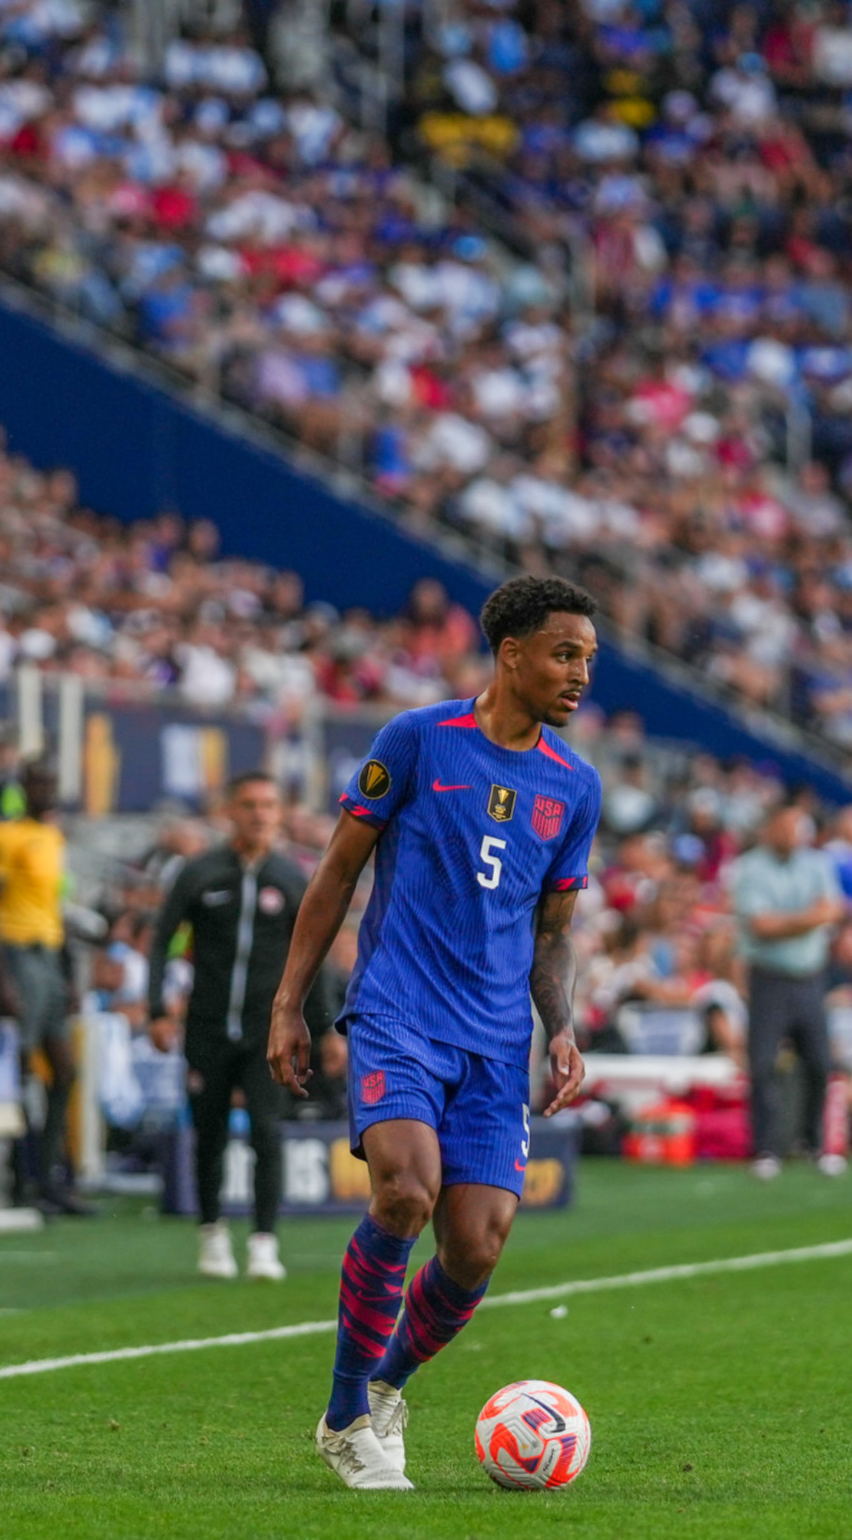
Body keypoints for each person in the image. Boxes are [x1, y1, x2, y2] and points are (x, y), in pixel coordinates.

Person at [265, 574, 602, 1492]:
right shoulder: (417, 740)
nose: (579, 675)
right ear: (512, 654)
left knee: (476, 1242)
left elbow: (553, 934)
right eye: (565, 654)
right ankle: (343, 1417)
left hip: (498, 1042)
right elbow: (336, 873)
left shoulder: (576, 786)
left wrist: (560, 1027)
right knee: (405, 1191)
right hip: (399, 1011)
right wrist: (290, 1001)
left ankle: (382, 1388)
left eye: (588, 659)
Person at [153, 771, 307, 1280]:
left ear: (281, 814)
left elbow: (313, 954)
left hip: (269, 1033)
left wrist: (322, 1028)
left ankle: (264, 1240)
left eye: (269, 805)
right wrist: (157, 1009)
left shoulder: (290, 877)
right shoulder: (199, 873)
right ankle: (212, 1232)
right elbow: (161, 940)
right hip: (208, 1024)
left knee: (267, 1131)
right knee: (209, 1132)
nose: (260, 814)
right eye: (249, 805)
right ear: (230, 812)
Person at [0, 761, 89, 1216]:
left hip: (47, 955)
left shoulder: (52, 837)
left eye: (51, 783)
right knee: (20, 1070)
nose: (46, 791)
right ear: (23, 788)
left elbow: (54, 907)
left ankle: (47, 1176)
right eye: (38, 784)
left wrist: (68, 976)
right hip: (17, 953)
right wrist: (0, 975)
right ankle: (20, 1178)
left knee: (64, 1071)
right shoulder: (4, 837)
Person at [727, 804, 847, 1181]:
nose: (792, 835)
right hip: (769, 977)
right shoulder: (750, 868)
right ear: (770, 830)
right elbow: (762, 926)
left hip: (810, 976)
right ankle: (766, 1148)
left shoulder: (817, 864)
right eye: (785, 828)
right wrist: (808, 919)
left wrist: (792, 922)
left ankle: (814, 1143)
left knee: (820, 1063)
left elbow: (832, 911)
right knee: (762, 1065)